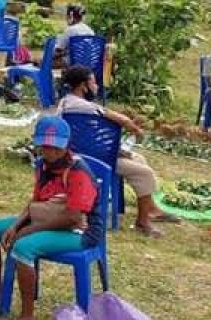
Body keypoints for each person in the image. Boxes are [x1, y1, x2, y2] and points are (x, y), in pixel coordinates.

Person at [0, 116, 102, 320]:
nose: (51, 152)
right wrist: (17, 225)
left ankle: (27, 315)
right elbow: (34, 201)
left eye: (56, 147)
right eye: (45, 146)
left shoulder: (79, 172)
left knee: (23, 247)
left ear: (66, 145)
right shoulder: (43, 165)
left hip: (80, 231)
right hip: (47, 216)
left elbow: (72, 218)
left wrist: (29, 230)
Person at [58, 65, 179, 237]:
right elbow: (119, 119)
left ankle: (150, 208)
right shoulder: (85, 107)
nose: (96, 86)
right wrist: (135, 129)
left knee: (138, 158)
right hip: (95, 159)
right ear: (82, 86)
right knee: (145, 173)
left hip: (81, 154)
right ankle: (143, 222)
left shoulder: (65, 103)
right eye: (93, 82)